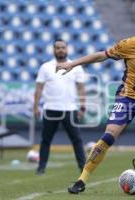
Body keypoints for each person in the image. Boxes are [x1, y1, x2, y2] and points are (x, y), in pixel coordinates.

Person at [56, 13, 135, 194]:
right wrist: (73, 64)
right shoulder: (128, 45)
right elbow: (101, 56)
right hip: (127, 98)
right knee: (109, 136)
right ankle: (82, 179)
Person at [33, 39, 86, 175]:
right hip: (51, 108)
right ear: (54, 50)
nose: (60, 50)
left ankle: (83, 168)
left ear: (67, 49)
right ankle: (41, 167)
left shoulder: (76, 66)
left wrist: (83, 106)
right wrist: (35, 107)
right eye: (58, 48)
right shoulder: (45, 67)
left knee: (77, 140)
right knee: (46, 140)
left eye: (63, 47)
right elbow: (39, 88)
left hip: (70, 109)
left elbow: (81, 88)